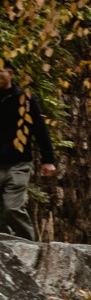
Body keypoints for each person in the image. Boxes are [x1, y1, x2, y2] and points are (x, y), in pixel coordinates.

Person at [0, 67, 58, 240]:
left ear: (9, 73)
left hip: (18, 164)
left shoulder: (24, 99)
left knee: (12, 208)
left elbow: (40, 130)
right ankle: (6, 253)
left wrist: (48, 160)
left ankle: (30, 245)